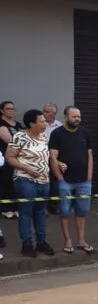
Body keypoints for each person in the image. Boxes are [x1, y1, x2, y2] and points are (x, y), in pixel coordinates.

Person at [4, 109, 55, 257]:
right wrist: (27, 168)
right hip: (25, 179)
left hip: (44, 180)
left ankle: (41, 242)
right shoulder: (20, 136)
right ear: (32, 123)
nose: (45, 123)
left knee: (40, 212)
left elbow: (46, 156)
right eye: (42, 121)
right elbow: (10, 157)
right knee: (26, 211)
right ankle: (26, 244)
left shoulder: (43, 137)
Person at [49, 106, 94, 254]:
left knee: (82, 212)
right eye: (74, 116)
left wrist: (89, 178)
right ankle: (67, 241)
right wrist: (60, 179)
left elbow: (90, 156)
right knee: (64, 212)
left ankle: (81, 240)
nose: (77, 119)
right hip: (65, 182)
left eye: (79, 117)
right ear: (65, 117)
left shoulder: (85, 133)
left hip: (83, 181)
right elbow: (53, 158)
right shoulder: (57, 134)